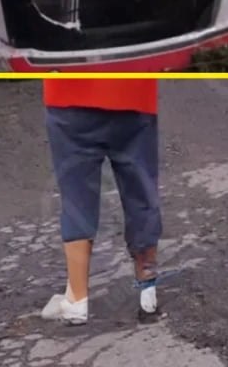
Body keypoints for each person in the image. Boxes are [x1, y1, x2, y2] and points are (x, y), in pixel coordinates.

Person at [40, 78, 162, 324]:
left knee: (76, 195)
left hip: (69, 94)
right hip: (134, 93)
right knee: (141, 190)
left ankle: (77, 301)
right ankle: (148, 293)